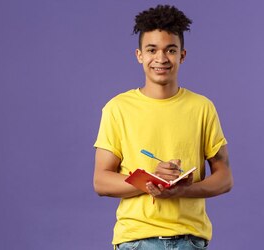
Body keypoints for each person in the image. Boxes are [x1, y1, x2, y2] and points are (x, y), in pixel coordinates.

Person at [93, 5, 233, 250]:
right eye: (151, 50)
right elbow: (101, 181)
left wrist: (182, 190)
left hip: (190, 240)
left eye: (170, 50)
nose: (161, 58)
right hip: (135, 241)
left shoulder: (202, 107)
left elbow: (224, 178)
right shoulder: (118, 108)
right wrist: (151, 182)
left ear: (182, 55)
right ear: (139, 55)